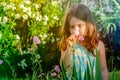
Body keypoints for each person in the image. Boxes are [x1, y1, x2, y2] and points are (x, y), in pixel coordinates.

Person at [58, 4, 108, 80]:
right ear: (68, 28)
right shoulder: (66, 44)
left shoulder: (98, 45)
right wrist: (69, 48)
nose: (76, 31)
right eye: (72, 27)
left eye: (80, 26)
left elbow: (103, 69)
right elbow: (64, 67)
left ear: (88, 25)